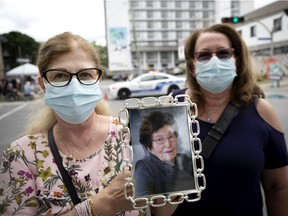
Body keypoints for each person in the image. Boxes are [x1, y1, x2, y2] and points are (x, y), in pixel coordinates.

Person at [0, 32, 150, 216]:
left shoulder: (132, 136)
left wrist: (176, 183)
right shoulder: (22, 156)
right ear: (42, 83)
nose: (74, 86)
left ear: (98, 80)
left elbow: (161, 211)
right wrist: (99, 206)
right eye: (60, 75)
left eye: (85, 74)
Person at [153, 23, 288, 216]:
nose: (214, 60)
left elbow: (278, 187)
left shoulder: (262, 111)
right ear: (192, 66)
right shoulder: (172, 105)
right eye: (205, 55)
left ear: (237, 61)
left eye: (223, 53)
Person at [135, 111, 195, 197]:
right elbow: (145, 204)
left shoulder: (185, 159)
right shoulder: (144, 168)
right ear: (148, 146)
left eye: (171, 136)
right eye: (159, 139)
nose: (168, 144)